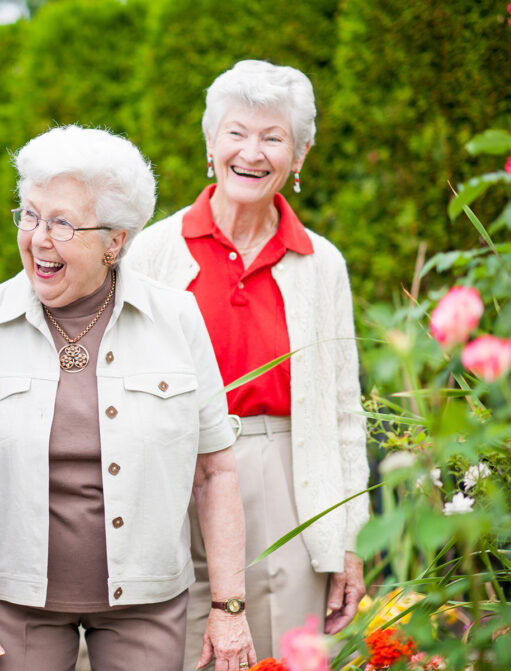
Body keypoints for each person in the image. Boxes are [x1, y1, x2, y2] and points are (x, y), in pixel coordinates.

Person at [0, 125, 257, 671]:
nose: (38, 239)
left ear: (115, 242)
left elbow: (214, 472)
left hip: (147, 603)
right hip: (15, 608)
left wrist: (228, 607)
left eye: (62, 223)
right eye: (29, 216)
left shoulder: (175, 318)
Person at [127, 60, 370, 667]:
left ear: (300, 154)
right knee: (174, 651)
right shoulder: (153, 250)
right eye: (237, 132)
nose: (252, 152)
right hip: (171, 473)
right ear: (211, 144)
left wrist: (349, 542)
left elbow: (343, 412)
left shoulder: (321, 264)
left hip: (283, 477)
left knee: (282, 657)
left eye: (273, 137)